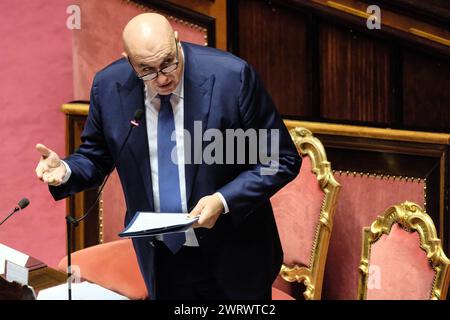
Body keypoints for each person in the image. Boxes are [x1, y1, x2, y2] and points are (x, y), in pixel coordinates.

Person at [35, 13, 301, 300]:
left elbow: (280, 158)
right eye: (147, 70)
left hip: (234, 253)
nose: (162, 78)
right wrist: (65, 170)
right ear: (129, 61)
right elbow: (95, 156)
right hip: (161, 256)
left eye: (167, 63)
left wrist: (223, 200)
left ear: (176, 41)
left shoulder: (232, 78)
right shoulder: (109, 87)